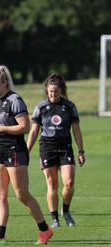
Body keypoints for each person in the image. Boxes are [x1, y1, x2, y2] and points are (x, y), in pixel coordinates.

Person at [0, 65, 53, 246]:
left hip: (14, 150)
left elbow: (25, 127)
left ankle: (45, 229)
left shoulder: (15, 99)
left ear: (5, 83)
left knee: (21, 194)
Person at [27, 73, 85, 228]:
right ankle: (54, 218)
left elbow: (76, 130)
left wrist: (81, 151)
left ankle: (65, 211)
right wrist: (26, 151)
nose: (53, 94)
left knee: (69, 182)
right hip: (47, 148)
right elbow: (33, 132)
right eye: (50, 91)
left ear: (62, 91)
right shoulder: (40, 107)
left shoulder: (70, 107)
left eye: (56, 91)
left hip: (65, 148)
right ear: (47, 91)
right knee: (52, 185)